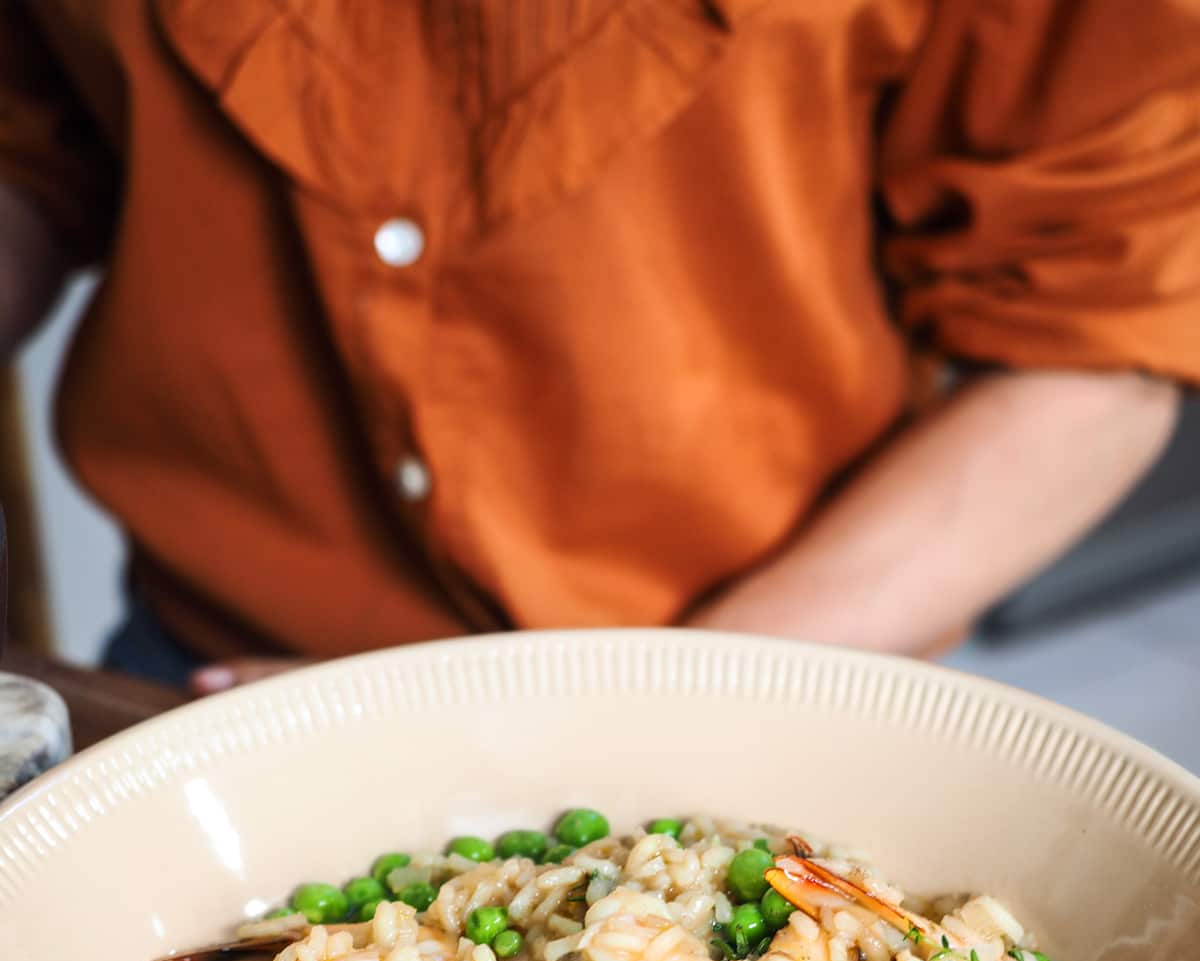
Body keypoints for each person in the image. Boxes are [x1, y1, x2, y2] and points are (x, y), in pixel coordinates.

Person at [1, 2, 1195, 695]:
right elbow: (37, 143)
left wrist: (609, 720)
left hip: (770, 676)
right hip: (211, 674)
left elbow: (1093, 336)